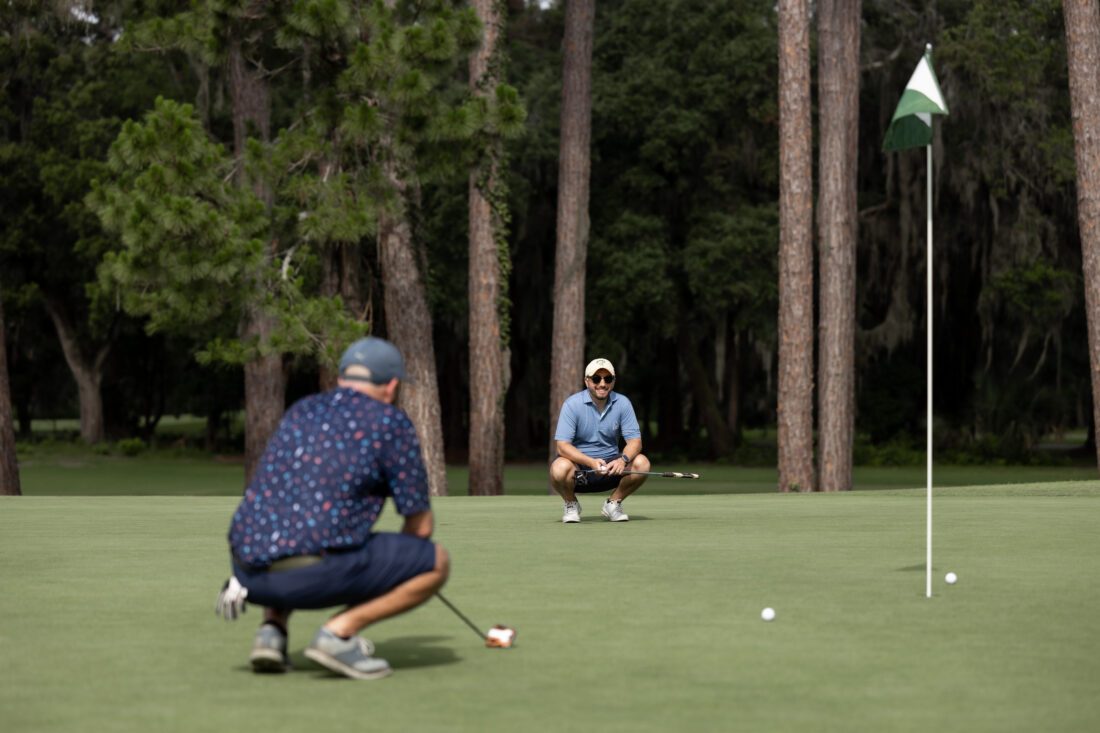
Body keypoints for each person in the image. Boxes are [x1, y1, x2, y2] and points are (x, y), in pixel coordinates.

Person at [215, 336, 449, 680]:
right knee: (436, 561)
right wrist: (397, 567)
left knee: (292, 523)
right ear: (392, 386)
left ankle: (271, 632)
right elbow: (420, 529)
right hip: (311, 576)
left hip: (246, 574)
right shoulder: (391, 423)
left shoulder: (302, 409)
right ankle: (338, 634)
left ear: (342, 378)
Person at [549, 357, 650, 523]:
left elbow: (635, 442)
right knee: (558, 468)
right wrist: (590, 462)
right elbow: (562, 446)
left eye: (607, 379)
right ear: (586, 381)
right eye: (596, 379)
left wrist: (622, 460)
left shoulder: (623, 403)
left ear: (613, 381)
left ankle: (613, 503)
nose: (602, 384)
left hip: (612, 467)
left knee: (642, 463)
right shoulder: (572, 404)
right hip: (581, 468)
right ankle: (571, 503)